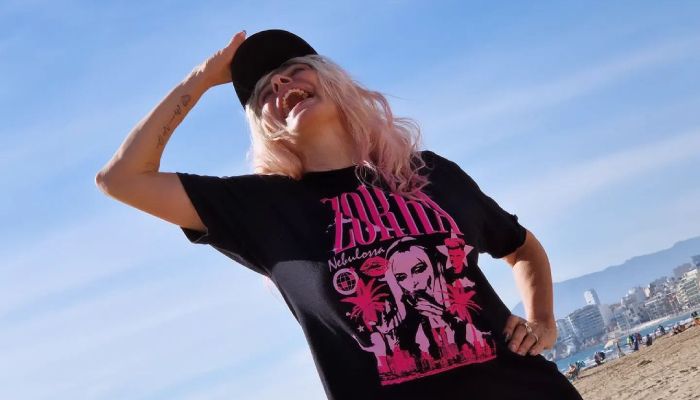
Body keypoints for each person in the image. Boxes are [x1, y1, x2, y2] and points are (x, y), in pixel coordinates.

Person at [95, 29, 583, 400]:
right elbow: (122, 179)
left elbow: (520, 247)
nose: (280, 83)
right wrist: (201, 79)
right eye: (263, 93)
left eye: (294, 69)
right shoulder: (261, 210)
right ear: (265, 129)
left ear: (332, 81)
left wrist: (542, 320)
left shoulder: (428, 173)